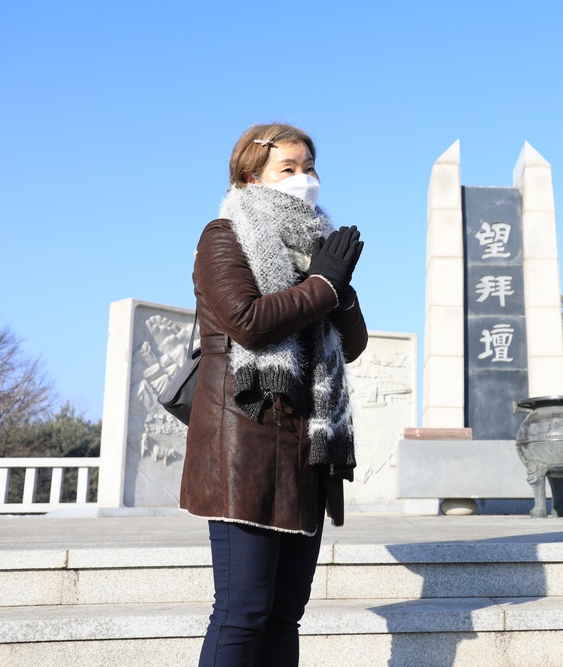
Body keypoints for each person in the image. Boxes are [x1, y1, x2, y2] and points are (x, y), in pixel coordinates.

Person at [180, 122, 367, 666]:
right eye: (289, 169)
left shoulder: (315, 249)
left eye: (309, 168)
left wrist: (340, 288)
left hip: (307, 447)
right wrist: (323, 286)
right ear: (250, 174)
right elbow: (248, 321)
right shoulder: (224, 234)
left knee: (286, 614)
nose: (304, 180)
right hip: (246, 444)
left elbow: (351, 344)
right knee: (243, 612)